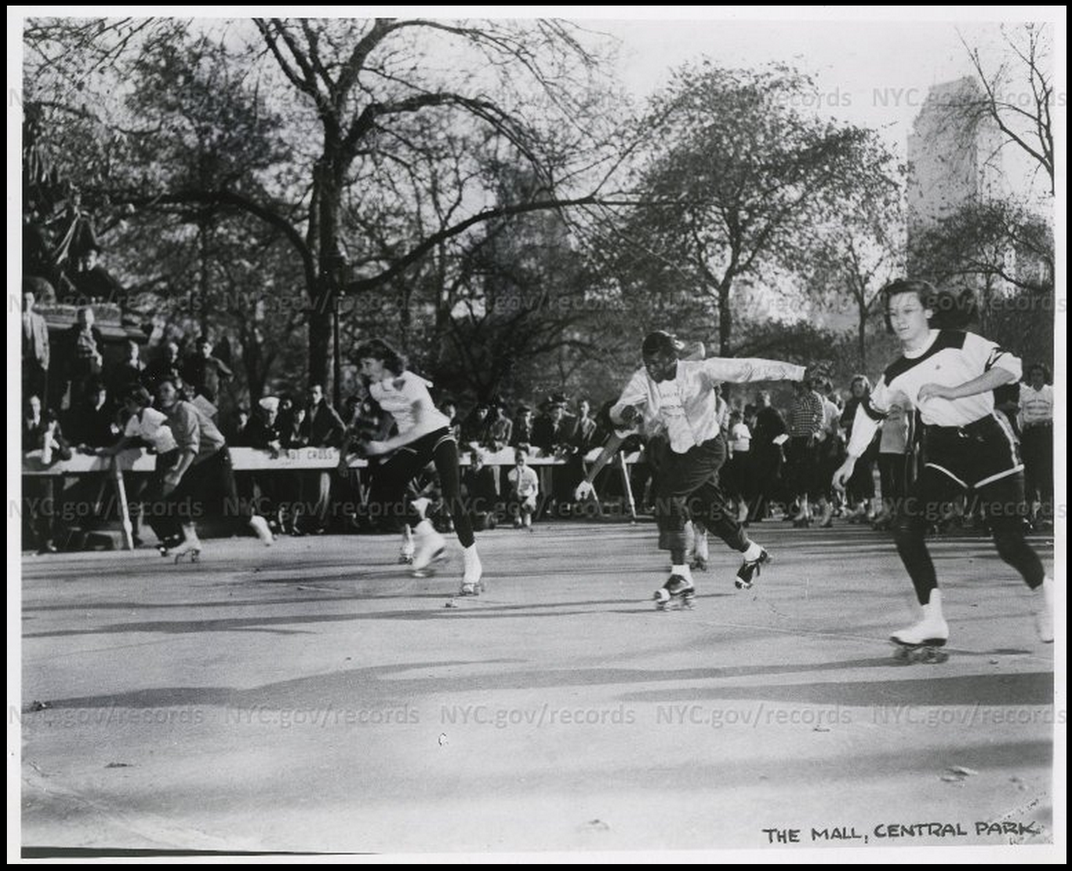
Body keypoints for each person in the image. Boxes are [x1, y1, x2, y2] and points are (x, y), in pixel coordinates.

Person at [834, 279, 1053, 651]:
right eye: (893, 313)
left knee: (1009, 543)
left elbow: (1011, 368)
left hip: (989, 445)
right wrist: (852, 458)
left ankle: (1047, 593)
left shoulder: (959, 342)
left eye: (908, 310)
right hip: (943, 453)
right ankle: (932, 620)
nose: (900, 320)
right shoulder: (895, 372)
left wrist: (954, 391)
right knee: (906, 525)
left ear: (928, 311)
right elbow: (871, 412)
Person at [609, 330, 806, 607]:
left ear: (672, 358)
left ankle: (681, 575)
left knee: (667, 497)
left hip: (708, 449)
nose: (651, 369)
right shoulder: (644, 378)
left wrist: (798, 372)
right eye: (647, 363)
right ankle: (752, 552)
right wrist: (625, 412)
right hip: (678, 453)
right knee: (709, 512)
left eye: (657, 363)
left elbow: (749, 368)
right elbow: (617, 408)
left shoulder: (701, 370)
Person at [354, 338, 483, 595]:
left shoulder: (409, 381)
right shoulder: (376, 388)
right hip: (415, 442)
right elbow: (393, 415)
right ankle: (430, 537)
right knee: (382, 487)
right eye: (361, 365)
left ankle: (473, 562)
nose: (364, 370)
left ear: (383, 361)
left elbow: (421, 424)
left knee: (452, 497)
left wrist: (384, 446)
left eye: (368, 363)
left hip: (437, 435)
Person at [154, 378, 273, 560]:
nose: (162, 395)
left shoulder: (185, 409)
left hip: (217, 456)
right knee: (178, 495)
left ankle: (256, 520)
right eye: (159, 391)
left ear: (177, 392)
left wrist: (177, 474)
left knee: (230, 504)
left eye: (166, 390)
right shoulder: (169, 415)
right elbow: (183, 446)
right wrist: (176, 470)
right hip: (199, 459)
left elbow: (191, 447)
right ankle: (191, 539)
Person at [1018, 363, 1053, 529]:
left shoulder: (1051, 392)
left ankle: (1047, 515)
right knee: (1029, 475)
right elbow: (1020, 414)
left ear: (1044, 376)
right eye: (1033, 375)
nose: (1036, 378)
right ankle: (1028, 514)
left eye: (1039, 374)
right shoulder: (1024, 392)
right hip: (1029, 435)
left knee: (1046, 474)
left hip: (1046, 434)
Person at [22, 289, 51, 403]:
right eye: (24, 299)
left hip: (37, 359)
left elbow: (45, 343)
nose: (27, 302)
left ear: (33, 301)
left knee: (36, 390)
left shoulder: (39, 319)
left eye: (29, 299)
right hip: (22, 359)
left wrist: (46, 361)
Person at [506, 448, 540, 530]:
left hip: (528, 496)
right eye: (518, 460)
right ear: (515, 461)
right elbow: (516, 489)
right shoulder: (511, 473)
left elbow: (536, 490)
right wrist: (519, 474)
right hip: (518, 495)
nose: (521, 463)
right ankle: (517, 516)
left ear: (526, 460)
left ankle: (527, 514)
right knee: (514, 494)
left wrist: (530, 499)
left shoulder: (532, 472)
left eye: (522, 460)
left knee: (527, 524)